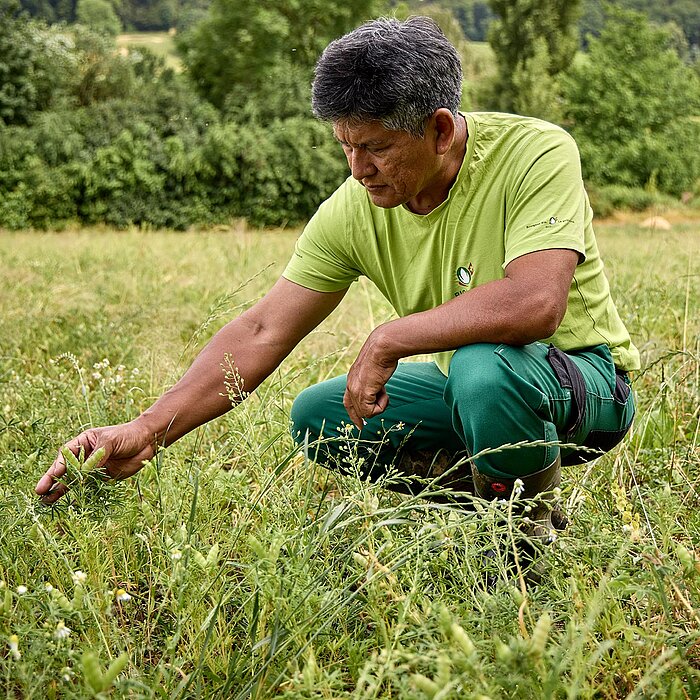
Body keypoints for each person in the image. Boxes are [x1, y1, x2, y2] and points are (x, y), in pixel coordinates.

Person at [36, 17, 638, 542]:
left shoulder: (535, 152)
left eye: (376, 147)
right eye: (345, 146)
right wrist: (145, 430)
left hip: (585, 385)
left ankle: (525, 545)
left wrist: (388, 338)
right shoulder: (355, 206)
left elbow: (537, 303)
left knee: (484, 367)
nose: (358, 169)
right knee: (321, 417)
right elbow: (263, 328)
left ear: (441, 131)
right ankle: (491, 508)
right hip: (478, 391)